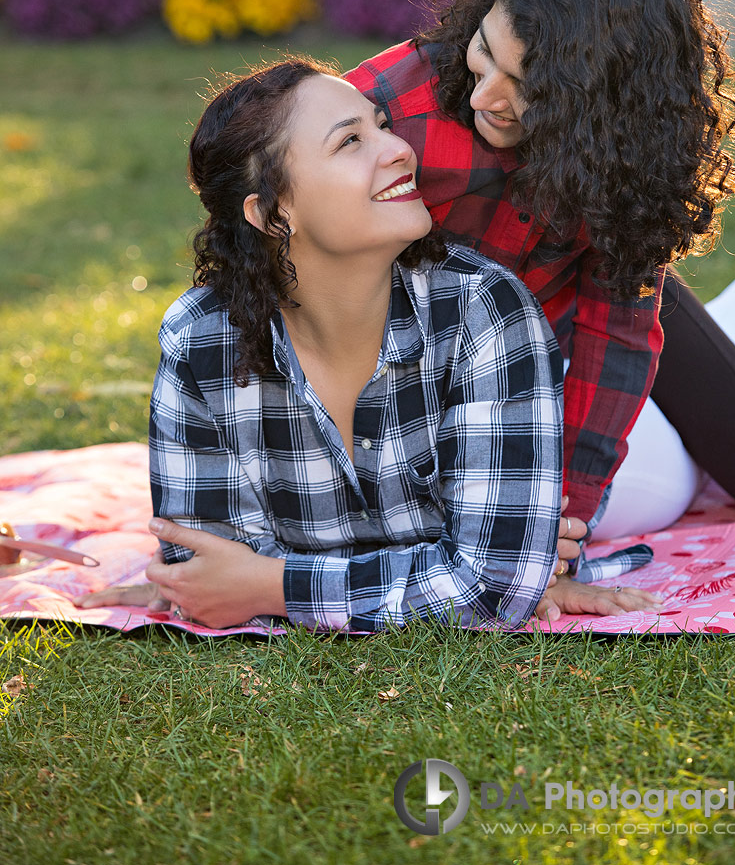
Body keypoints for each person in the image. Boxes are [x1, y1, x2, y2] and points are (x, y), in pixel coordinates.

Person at [76, 58, 662, 630]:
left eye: (381, 125)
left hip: (636, 458)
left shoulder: (484, 308)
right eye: (349, 142)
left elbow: (495, 585)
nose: (400, 148)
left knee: (685, 466)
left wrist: (272, 585)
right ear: (273, 214)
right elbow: (204, 577)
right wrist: (447, 564)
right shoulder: (202, 340)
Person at [346, 0, 735, 537]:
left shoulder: (623, 161)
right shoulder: (387, 115)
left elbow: (616, 334)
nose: (484, 97)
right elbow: (256, 194)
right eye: (485, 51)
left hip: (587, 308)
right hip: (471, 368)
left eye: (526, 86)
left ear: (602, 105)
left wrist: (567, 501)